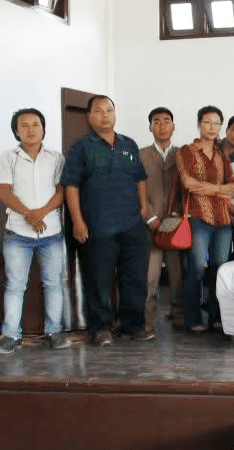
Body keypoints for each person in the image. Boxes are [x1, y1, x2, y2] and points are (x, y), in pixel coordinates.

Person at [62, 95, 151, 346]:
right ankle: (100, 327)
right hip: (98, 226)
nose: (105, 115)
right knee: (98, 280)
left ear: (115, 114)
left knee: (135, 278)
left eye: (109, 110)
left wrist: (144, 207)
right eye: (99, 111)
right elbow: (71, 186)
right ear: (89, 116)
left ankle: (132, 325)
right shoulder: (81, 148)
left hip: (132, 224)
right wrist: (78, 221)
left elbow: (140, 178)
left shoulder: (128, 144)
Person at [0, 108, 69, 353]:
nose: (31, 129)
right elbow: (4, 191)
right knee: (15, 286)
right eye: (25, 125)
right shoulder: (8, 157)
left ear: (43, 129)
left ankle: (54, 332)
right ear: (16, 132)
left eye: (36, 124)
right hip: (17, 234)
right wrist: (29, 214)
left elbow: (62, 191)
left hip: (51, 232)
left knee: (53, 284)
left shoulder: (56, 158)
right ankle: (10, 335)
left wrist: (41, 213)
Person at [177, 105, 234, 333]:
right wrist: (219, 189)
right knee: (197, 268)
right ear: (199, 124)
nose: (212, 127)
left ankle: (216, 317)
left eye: (216, 123)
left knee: (219, 268)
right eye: (207, 122)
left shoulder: (222, 154)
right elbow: (188, 183)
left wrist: (210, 189)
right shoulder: (187, 151)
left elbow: (233, 186)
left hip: (223, 220)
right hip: (198, 217)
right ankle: (193, 319)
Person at [139, 107, 183, 331]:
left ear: (173, 126)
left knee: (177, 274)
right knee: (150, 275)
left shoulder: (183, 155)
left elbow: (186, 190)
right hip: (150, 225)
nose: (162, 126)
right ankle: (148, 318)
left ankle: (178, 314)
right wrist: (151, 218)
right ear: (150, 127)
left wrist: (175, 217)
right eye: (156, 122)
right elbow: (137, 190)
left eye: (167, 121)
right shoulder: (140, 155)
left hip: (176, 226)